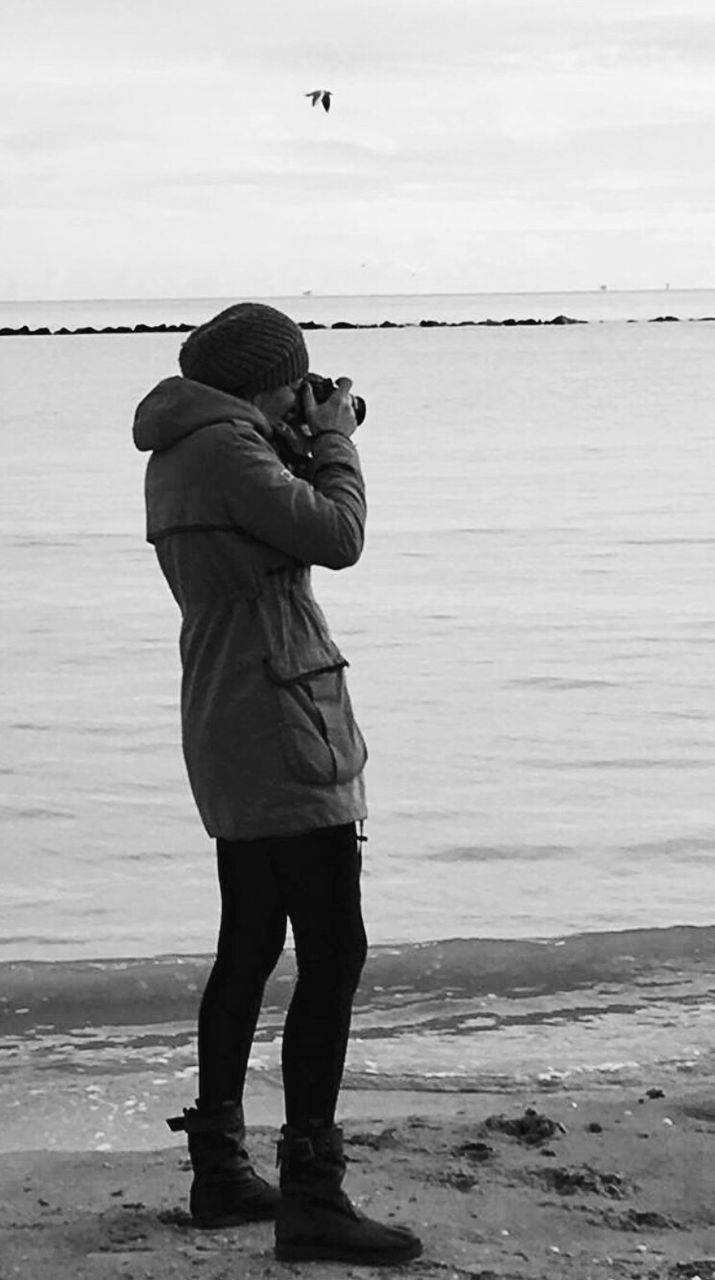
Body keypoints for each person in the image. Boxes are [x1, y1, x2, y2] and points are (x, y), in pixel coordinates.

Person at [132, 302, 422, 1266]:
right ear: (269, 380)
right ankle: (313, 1195)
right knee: (333, 949)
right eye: (297, 383)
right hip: (282, 718)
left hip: (228, 709)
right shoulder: (228, 451)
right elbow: (336, 536)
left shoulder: (187, 450)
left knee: (251, 940)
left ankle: (221, 1171)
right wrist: (333, 443)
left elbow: (265, 534)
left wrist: (291, 440)